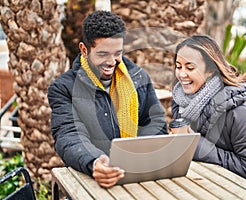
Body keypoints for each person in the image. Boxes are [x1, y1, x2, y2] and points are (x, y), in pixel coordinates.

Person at [48, 10, 168, 188]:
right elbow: (69, 135)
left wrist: (142, 157)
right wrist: (95, 162)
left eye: (117, 53)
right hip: (93, 182)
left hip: (139, 180)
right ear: (84, 50)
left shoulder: (139, 78)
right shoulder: (63, 88)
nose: (112, 62)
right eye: (103, 54)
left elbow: (155, 122)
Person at [171, 35, 246, 199]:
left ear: (210, 70)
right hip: (216, 186)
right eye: (178, 66)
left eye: (190, 68)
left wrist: (195, 145)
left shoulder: (239, 113)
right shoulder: (183, 102)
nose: (182, 74)